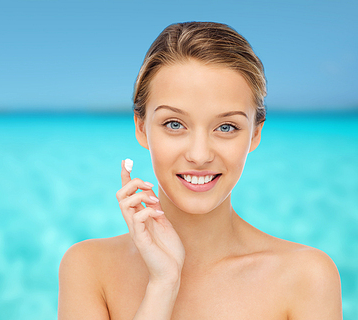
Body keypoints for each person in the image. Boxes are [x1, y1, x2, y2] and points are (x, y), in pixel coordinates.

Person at [58, 22, 342, 319]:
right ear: (141, 128)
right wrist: (163, 285)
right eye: (174, 124)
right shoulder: (89, 268)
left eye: (226, 127)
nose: (199, 155)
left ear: (255, 134)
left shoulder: (306, 277)